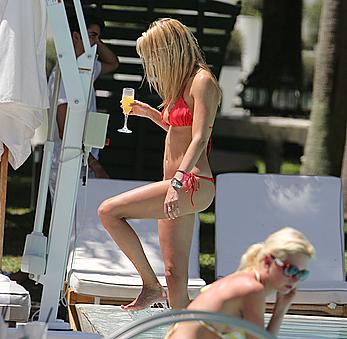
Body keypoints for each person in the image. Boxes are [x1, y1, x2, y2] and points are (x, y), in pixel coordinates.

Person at [97, 18, 221, 311]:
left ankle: (150, 286)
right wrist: (150, 113)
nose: (151, 63)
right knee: (175, 274)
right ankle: (184, 325)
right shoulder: (181, 85)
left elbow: (200, 138)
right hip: (176, 185)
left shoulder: (203, 81)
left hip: (192, 183)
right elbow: (178, 131)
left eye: (153, 55)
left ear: (171, 48)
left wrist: (176, 184)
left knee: (109, 212)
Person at [166, 227, 315, 339]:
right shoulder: (251, 289)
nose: (295, 279)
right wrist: (279, 312)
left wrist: (282, 307)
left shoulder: (243, 279)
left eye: (302, 273)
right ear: (268, 261)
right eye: (291, 270)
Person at [48, 14, 119, 198]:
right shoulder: (65, 72)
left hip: (84, 164)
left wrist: (96, 41)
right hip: (66, 163)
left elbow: (113, 63)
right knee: (70, 224)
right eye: (92, 35)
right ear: (75, 36)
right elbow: (65, 130)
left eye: (97, 36)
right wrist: (96, 165)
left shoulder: (87, 66)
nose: (95, 42)